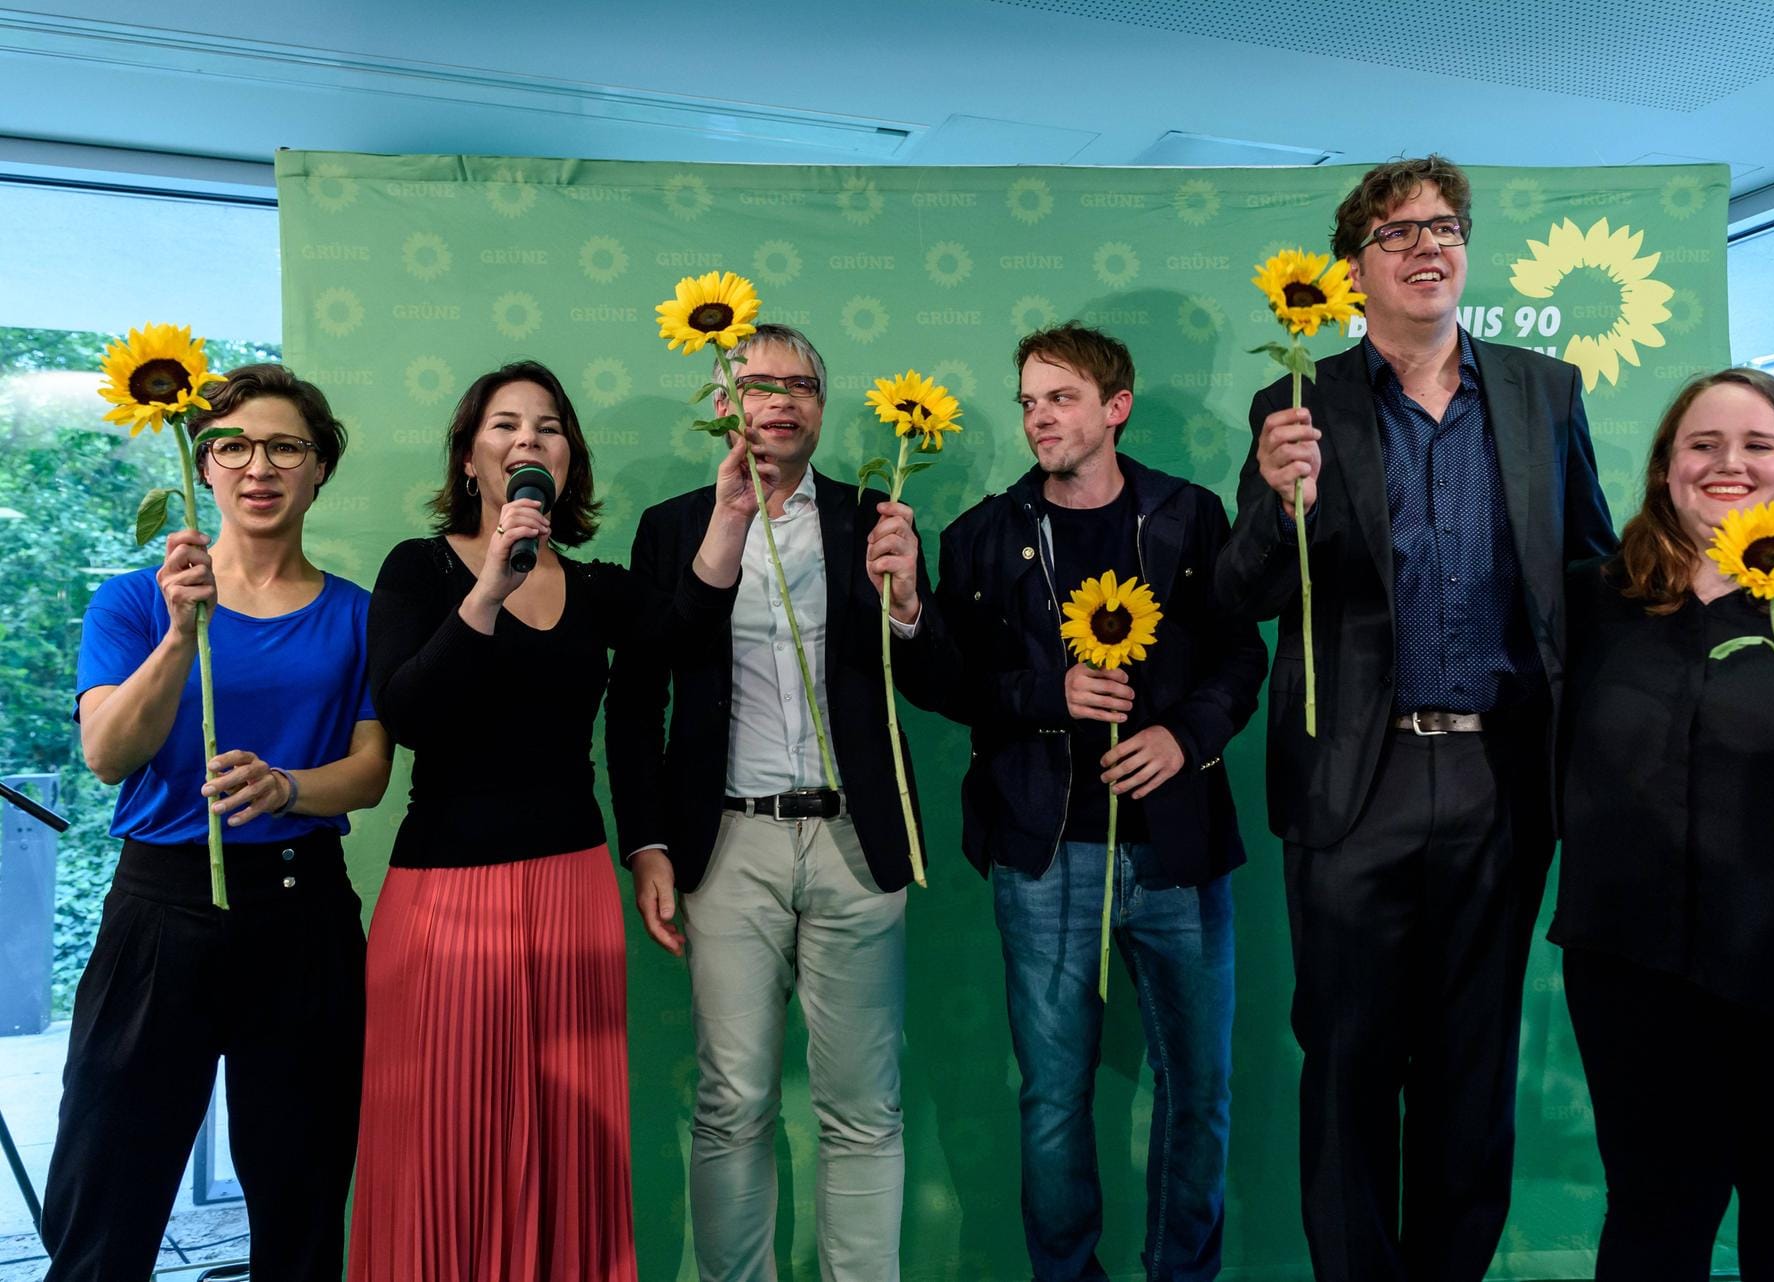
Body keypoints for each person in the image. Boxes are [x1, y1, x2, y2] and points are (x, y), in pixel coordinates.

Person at [1214, 154, 1617, 1280]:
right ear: (1354, 270)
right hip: (1356, 783)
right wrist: (1272, 500)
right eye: (1397, 233)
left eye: (1445, 226)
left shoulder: (1545, 390)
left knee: (1471, 1068)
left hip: (1501, 780)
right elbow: (1245, 595)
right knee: (1346, 1064)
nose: (1428, 246)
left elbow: (1588, 571)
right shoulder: (1296, 405)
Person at [1550, 368, 1774, 1280]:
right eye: (1703, 444)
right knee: (1653, 1214)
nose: (1730, 464)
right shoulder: (1596, 602)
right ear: (1666, 467)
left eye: (1759, 445)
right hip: (1639, 973)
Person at [347, 360, 712, 1279]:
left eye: (548, 427)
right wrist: (491, 587)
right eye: (505, 424)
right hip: (445, 899)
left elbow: (688, 629)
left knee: (567, 1137)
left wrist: (736, 515)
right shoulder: (418, 567)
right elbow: (410, 715)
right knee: (445, 1140)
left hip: (573, 891)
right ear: (472, 458)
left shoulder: (595, 588)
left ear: (567, 461)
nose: (527, 440)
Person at [925, 323, 1266, 1281]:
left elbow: (1245, 653)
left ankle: (1179, 1274)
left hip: (1180, 849)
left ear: (1115, 408)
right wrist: (1047, 697)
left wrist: (1185, 736)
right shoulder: (983, 537)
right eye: (1029, 400)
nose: (1039, 417)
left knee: (1199, 1090)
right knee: (1052, 1097)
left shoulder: (1192, 518)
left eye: (1061, 398)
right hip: (1043, 853)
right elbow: (950, 681)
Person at [45, 365, 391, 1281]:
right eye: (231, 447)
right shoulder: (133, 599)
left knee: (302, 1192)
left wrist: (285, 787)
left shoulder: (358, 615)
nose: (257, 467)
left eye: (285, 446)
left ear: (320, 469)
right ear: (203, 466)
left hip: (304, 913)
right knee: (106, 1186)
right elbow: (109, 755)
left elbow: (369, 774)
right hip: (161, 913)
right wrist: (176, 634)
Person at [617, 322, 940, 1282]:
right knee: (731, 1103)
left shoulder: (876, 515)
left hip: (856, 838)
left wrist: (910, 605)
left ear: (822, 406)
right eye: (759, 383)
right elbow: (638, 698)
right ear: (724, 402)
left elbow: (938, 679)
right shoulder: (673, 526)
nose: (782, 399)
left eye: (802, 383)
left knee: (864, 1109)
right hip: (726, 844)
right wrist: (645, 845)